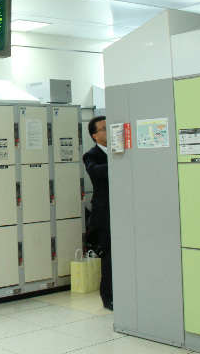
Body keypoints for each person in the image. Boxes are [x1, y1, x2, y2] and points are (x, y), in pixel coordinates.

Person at [83, 116, 111, 310]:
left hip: (122, 209)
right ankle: (108, 298)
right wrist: (119, 162)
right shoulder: (91, 155)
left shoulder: (119, 151)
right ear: (95, 135)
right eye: (103, 129)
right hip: (104, 213)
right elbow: (96, 172)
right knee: (109, 257)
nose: (107, 131)